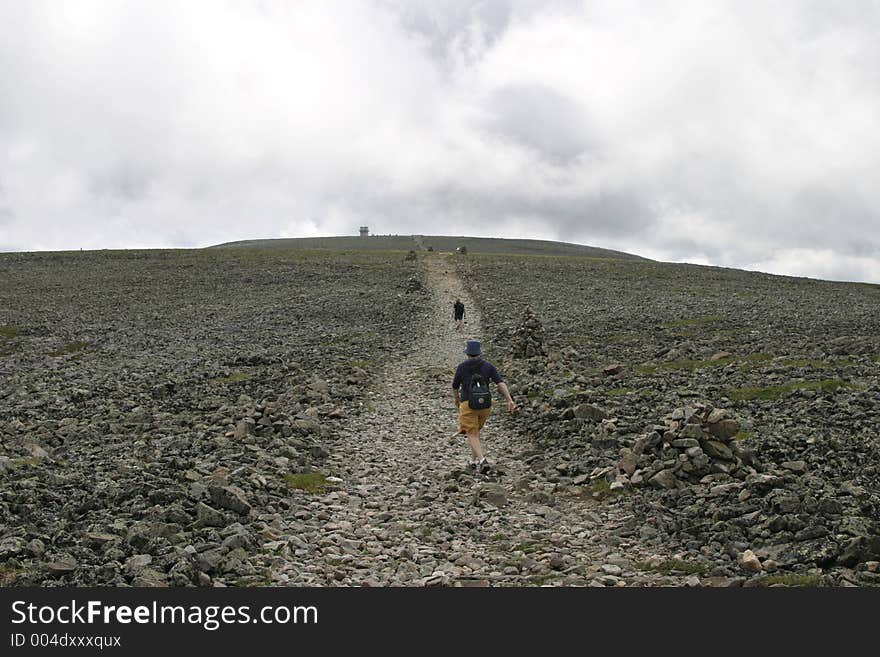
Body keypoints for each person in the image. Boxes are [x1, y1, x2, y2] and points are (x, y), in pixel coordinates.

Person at [451, 340, 516, 473]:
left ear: (467, 353)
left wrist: (456, 399)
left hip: (468, 404)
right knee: (475, 432)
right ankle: (473, 461)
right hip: (485, 405)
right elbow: (500, 383)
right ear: (479, 353)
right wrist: (509, 400)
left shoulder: (462, 367)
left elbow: (455, 386)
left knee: (471, 432)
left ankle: (481, 460)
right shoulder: (488, 366)